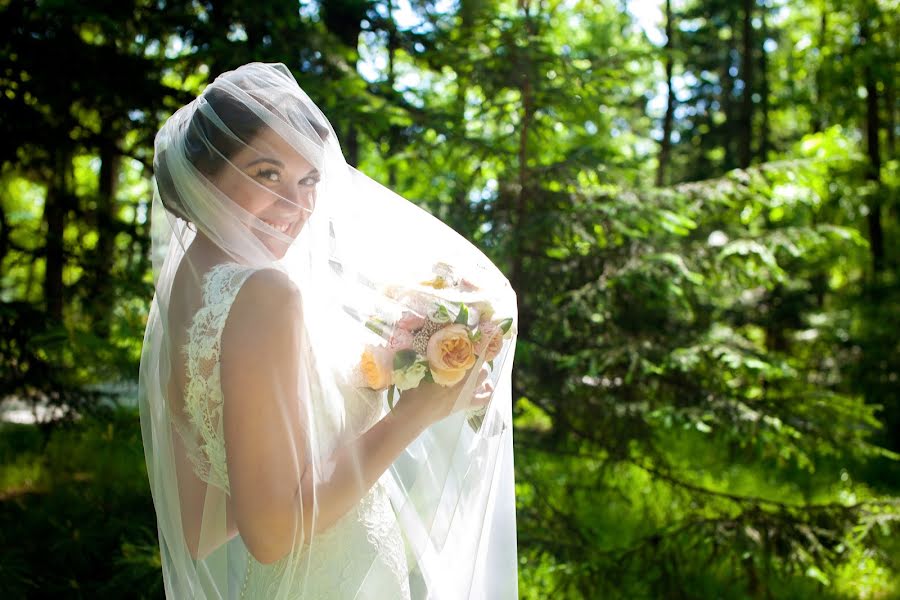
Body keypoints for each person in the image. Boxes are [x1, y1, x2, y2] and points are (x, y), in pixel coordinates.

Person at [138, 62, 519, 599]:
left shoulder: (188, 291)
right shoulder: (265, 294)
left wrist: (365, 400)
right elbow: (272, 536)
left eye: (309, 178)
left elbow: (201, 525)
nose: (296, 205)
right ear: (206, 176)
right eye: (266, 173)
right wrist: (417, 412)